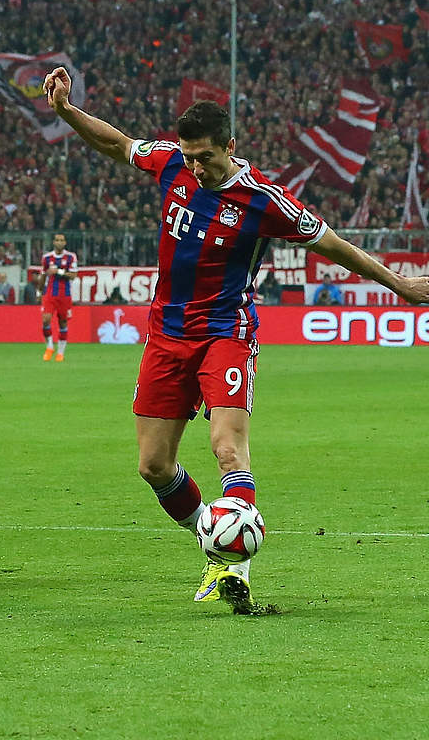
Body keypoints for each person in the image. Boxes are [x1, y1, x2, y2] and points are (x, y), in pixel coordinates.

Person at [44, 67, 429, 613]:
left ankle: (235, 564)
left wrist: (399, 284)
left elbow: (335, 247)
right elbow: (120, 144)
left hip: (226, 332)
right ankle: (218, 541)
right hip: (165, 334)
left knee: (227, 447)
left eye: (205, 157)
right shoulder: (173, 163)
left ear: (231, 146)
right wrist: (67, 112)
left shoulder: (264, 200)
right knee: (153, 466)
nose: (195, 166)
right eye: (189, 156)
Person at [39, 233, 77, 361]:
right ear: (53, 242)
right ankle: (50, 347)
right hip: (50, 293)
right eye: (57, 240)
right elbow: (43, 275)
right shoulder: (47, 258)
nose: (59, 242)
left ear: (65, 242)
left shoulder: (71, 257)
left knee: (63, 322)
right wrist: (39, 292)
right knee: (46, 319)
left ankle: (60, 353)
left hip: (65, 294)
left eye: (62, 240)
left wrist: (59, 271)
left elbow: (73, 275)